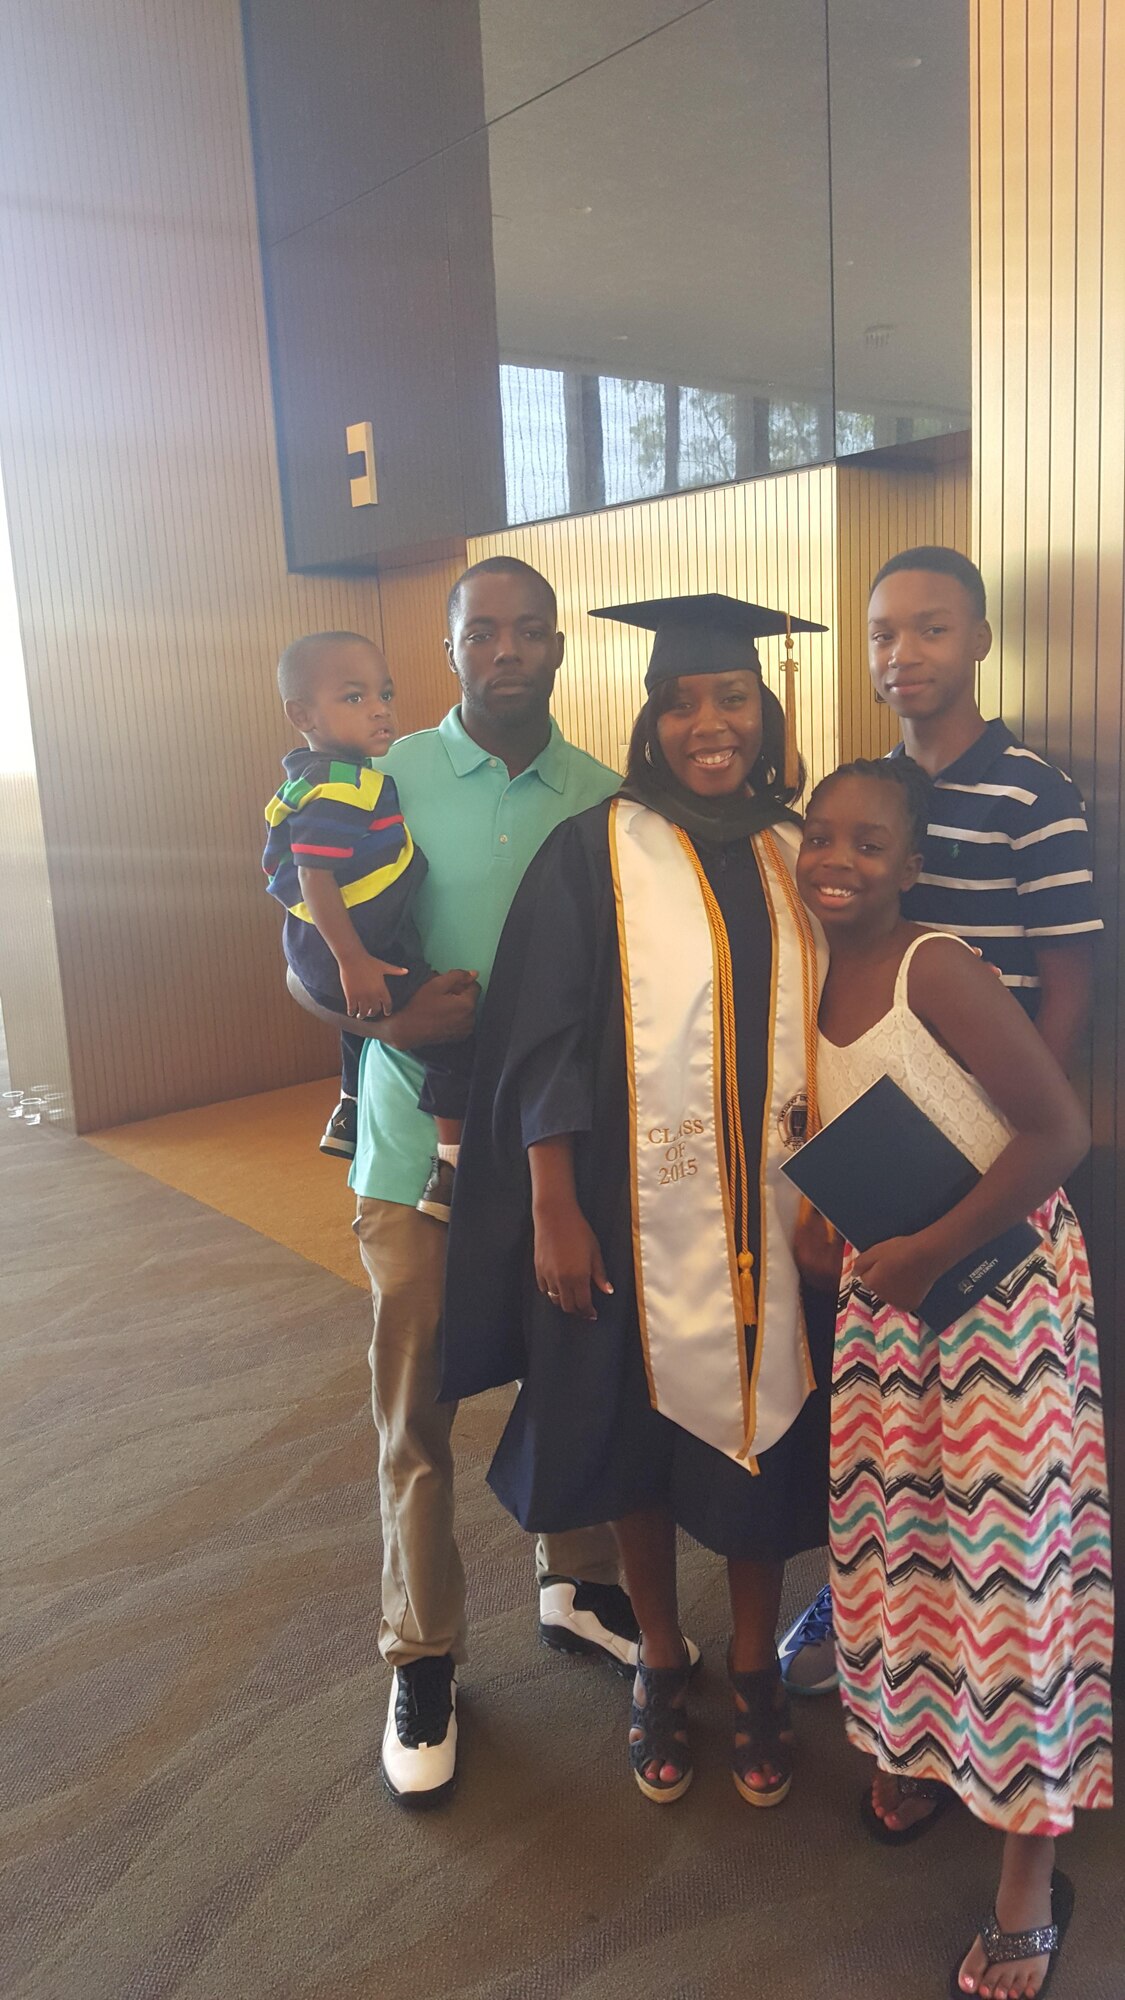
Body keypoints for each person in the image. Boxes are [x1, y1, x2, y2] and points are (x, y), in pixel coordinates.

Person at [442, 592, 835, 1808]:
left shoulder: (797, 847)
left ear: (765, 710)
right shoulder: (595, 849)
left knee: (768, 1439)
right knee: (634, 1437)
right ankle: (660, 1657)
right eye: (681, 702)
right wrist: (554, 1204)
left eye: (730, 698)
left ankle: (753, 1659)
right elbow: (542, 1044)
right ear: (651, 718)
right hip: (627, 1211)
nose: (707, 723)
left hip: (775, 1214)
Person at [795, 754, 1112, 2000]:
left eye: (870, 842)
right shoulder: (806, 968)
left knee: (1010, 1572)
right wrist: (842, 1237)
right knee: (897, 1545)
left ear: (914, 865)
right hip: (894, 1300)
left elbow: (1060, 1132)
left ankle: (1031, 1880)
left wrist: (931, 1247)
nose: (838, 857)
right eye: (821, 832)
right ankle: (923, 1749)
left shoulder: (939, 963)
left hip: (998, 1293)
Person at [350, 557, 656, 1809]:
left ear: (561, 649)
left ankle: (574, 1578)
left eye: (534, 631)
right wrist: (383, 1008)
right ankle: (421, 1653)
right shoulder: (386, 777)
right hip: (415, 1156)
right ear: (451, 643)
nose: (511, 650)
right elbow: (302, 943)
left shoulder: (603, 796)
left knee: (568, 1369)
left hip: (554, 1157)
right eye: (487, 631)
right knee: (416, 1410)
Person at [781, 545, 1103, 1699]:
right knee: (896, 1440)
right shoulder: (861, 787)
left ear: (975, 642)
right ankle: (887, 1624)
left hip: (999, 1131)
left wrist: (996, 1119)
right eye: (880, 633)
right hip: (890, 1138)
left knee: (996, 1446)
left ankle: (1011, 1681)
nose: (901, 653)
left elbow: (1069, 970)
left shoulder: (1030, 789)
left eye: (928, 629)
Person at [264, 631, 470, 1216]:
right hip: (351, 949)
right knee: (455, 1033)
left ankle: (349, 1109)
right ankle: (451, 1167)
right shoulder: (337, 787)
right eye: (353, 698)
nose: (380, 708)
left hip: (322, 948)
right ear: (302, 715)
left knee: (359, 1022)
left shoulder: (322, 775)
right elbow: (314, 875)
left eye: (385, 693)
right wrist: (353, 960)